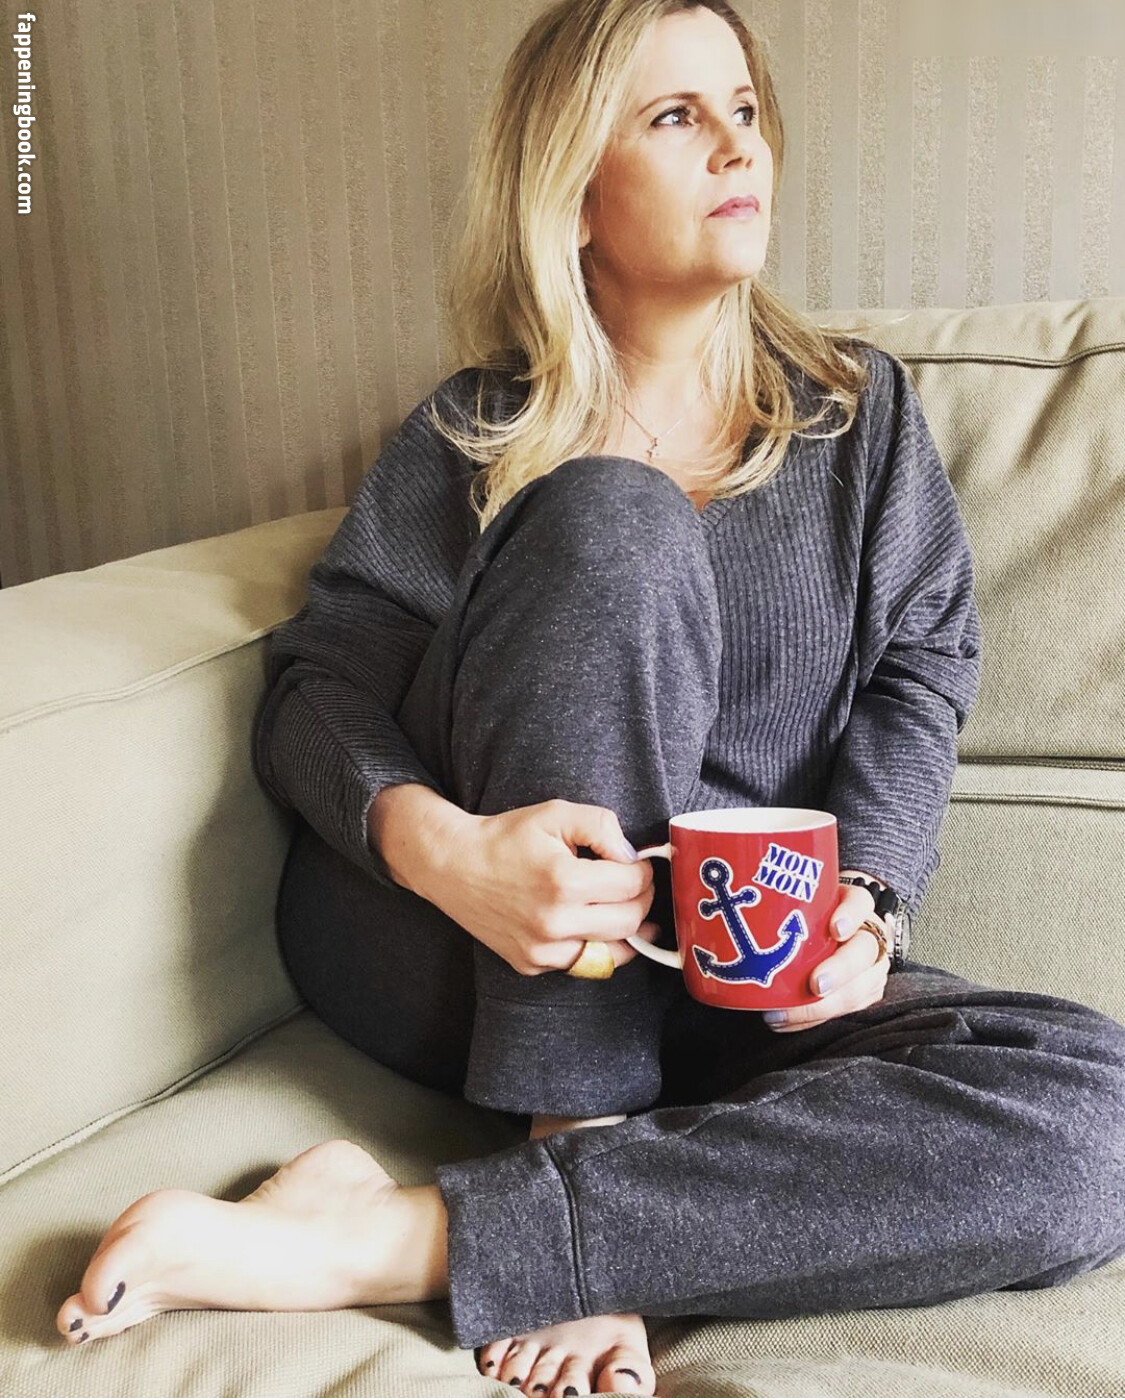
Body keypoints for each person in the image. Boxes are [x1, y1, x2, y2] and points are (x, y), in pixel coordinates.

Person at [54, 2, 1125, 1397]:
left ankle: (391, 1232)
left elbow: (919, 677)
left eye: (744, 109)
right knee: (615, 518)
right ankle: (573, 1135)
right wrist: (446, 850)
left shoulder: (858, 417)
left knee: (1096, 1123)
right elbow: (317, 688)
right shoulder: (472, 431)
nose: (735, 146)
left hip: (724, 977)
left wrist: (867, 899)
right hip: (446, 951)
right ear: (569, 191)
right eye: (676, 116)